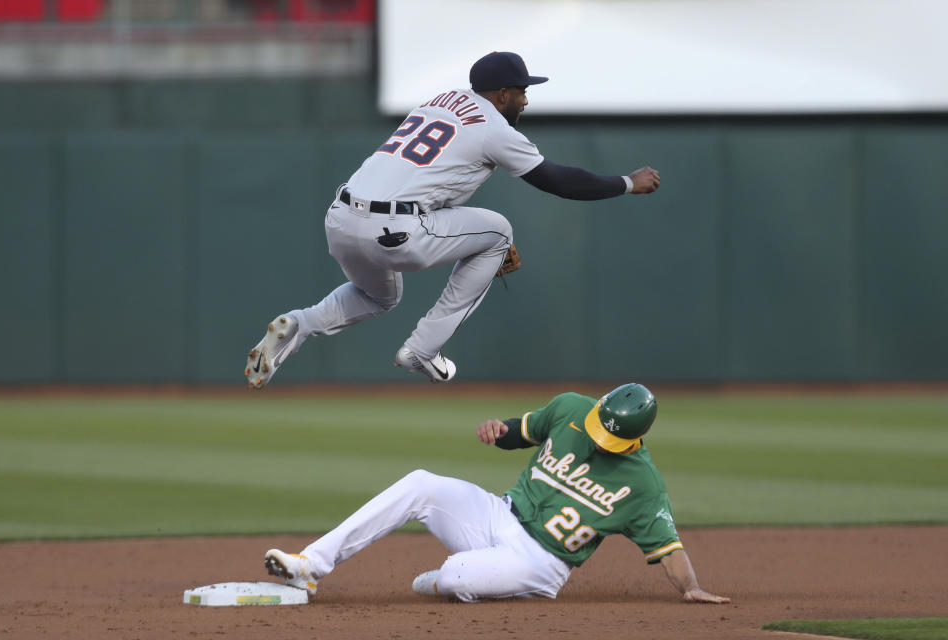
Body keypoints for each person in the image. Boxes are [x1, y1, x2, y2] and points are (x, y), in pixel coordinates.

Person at [245, 51, 661, 387]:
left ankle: (299, 323)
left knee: (379, 296)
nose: (525, 99)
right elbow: (557, 180)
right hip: (393, 228)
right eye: (520, 91)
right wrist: (626, 182)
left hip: (340, 218)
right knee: (498, 233)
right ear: (500, 94)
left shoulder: (438, 102)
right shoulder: (493, 127)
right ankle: (422, 350)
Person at [263, 383, 729, 604]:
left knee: (453, 577)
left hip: (540, 563)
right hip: (499, 514)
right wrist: (498, 431)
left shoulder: (643, 485)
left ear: (635, 439)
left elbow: (668, 548)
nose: (597, 436)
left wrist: (691, 588)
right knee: (421, 483)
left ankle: (471, 579)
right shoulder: (571, 408)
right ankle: (310, 566)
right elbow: (520, 432)